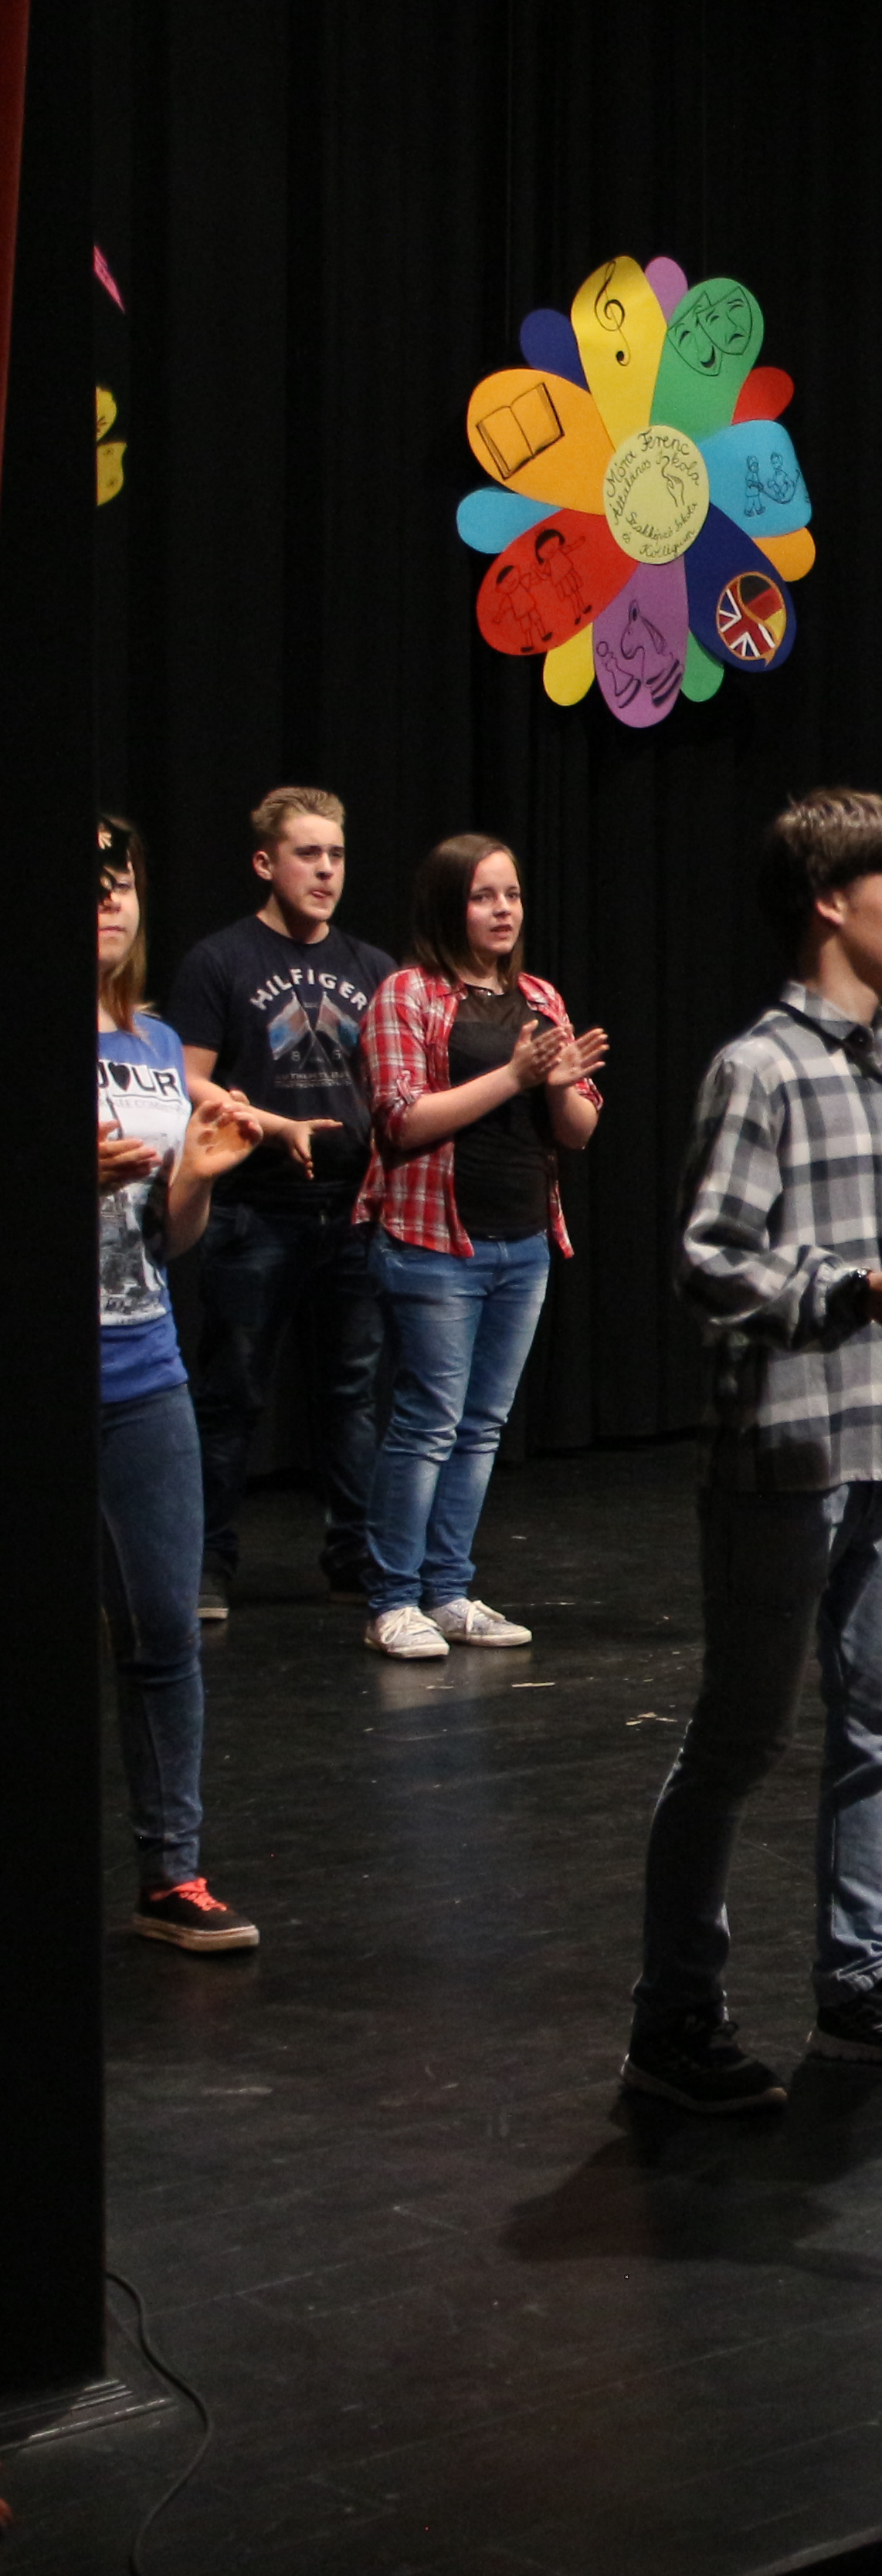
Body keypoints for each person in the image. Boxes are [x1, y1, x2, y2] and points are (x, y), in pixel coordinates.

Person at [625, 790, 882, 2114]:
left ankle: (862, 1986)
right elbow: (709, 1261)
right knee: (738, 1739)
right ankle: (674, 2015)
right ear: (830, 901)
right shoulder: (760, 1069)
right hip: (789, 1460)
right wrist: (857, 1292)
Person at [97, 815, 280, 1951]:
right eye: (88, 881)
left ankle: (171, 1874)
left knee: (164, 1626)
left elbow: (166, 1242)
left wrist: (197, 1178)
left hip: (143, 1365)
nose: (108, 900)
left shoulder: (156, 1044)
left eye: (121, 880)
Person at [355, 833, 604, 1661]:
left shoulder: (538, 996)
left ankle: (449, 1590)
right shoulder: (407, 994)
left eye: (512, 894)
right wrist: (515, 1077)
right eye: (482, 896)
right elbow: (399, 1120)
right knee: (427, 1423)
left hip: (523, 1239)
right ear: (446, 906)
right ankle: (393, 1600)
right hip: (434, 1240)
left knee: (482, 1427)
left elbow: (579, 1129)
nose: (503, 911)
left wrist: (559, 1085)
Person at [166, 785, 391, 1620]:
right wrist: (271, 1125)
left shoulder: (373, 968)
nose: (325, 870)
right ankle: (205, 1564)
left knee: (351, 1396)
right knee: (232, 1395)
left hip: (350, 1211)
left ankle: (355, 1556)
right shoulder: (220, 960)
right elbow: (188, 1078)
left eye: (336, 855)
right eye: (307, 854)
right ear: (266, 863)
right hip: (254, 1210)